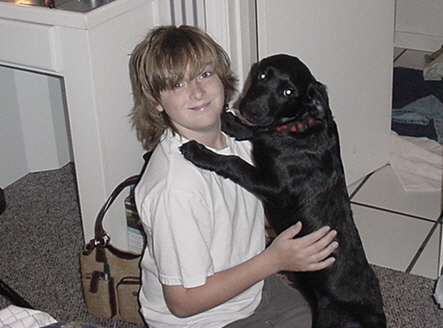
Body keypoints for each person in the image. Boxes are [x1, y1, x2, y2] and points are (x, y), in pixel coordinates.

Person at [129, 25, 338, 328]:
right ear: (156, 102)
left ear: (222, 77)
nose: (197, 92)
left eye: (204, 74)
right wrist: (276, 260)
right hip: (202, 319)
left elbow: (245, 209)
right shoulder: (176, 188)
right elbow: (183, 303)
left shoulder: (240, 139)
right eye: (176, 85)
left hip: (250, 289)